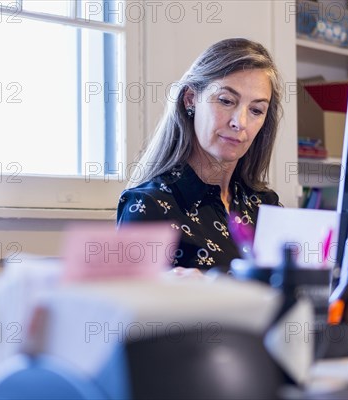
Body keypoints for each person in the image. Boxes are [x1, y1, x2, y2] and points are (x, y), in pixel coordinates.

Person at [117, 38, 283, 271]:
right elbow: (132, 304)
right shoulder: (149, 206)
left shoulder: (266, 205)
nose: (240, 122)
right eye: (226, 101)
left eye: (256, 110)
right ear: (190, 99)